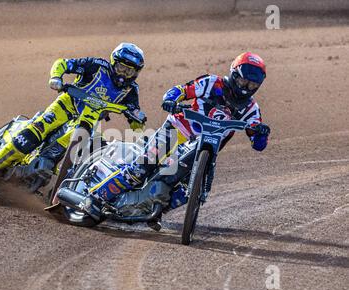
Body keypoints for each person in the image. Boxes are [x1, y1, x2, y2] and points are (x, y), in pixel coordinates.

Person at [91, 52, 271, 203]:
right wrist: (170, 100)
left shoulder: (251, 109)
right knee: (140, 169)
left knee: (186, 194)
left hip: (203, 152)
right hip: (177, 130)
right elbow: (181, 90)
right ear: (234, 74)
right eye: (243, 82)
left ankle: (150, 208)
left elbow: (258, 144)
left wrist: (261, 133)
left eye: (252, 85)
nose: (246, 88)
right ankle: (93, 198)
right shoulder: (211, 83)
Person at [0, 43, 147, 190]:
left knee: (71, 148)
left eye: (130, 71)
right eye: (121, 68)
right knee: (36, 131)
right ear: (112, 62)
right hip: (65, 106)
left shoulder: (131, 91)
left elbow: (135, 118)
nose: (124, 74)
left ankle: (56, 183)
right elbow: (63, 63)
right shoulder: (96, 65)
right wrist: (56, 77)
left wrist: (138, 122)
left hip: (87, 121)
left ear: (136, 73)